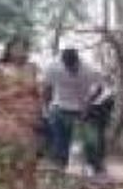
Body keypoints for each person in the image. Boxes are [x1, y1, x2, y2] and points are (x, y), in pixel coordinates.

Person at [0, 35, 43, 189]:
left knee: (30, 163)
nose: (21, 51)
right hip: (7, 120)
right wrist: (12, 93)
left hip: (29, 121)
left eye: (24, 47)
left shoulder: (32, 68)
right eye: (17, 47)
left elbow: (39, 94)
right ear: (9, 49)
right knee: (8, 163)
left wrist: (38, 97)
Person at [41, 47, 105, 175]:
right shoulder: (52, 68)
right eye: (68, 67)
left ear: (78, 61)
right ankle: (60, 169)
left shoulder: (90, 69)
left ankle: (96, 167)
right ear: (62, 62)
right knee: (60, 141)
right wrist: (46, 108)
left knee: (90, 140)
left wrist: (89, 103)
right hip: (59, 107)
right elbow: (47, 89)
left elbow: (100, 87)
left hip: (82, 108)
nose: (71, 70)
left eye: (74, 66)